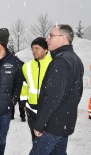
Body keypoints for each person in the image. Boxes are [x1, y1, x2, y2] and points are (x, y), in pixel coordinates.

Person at [29, 24, 84, 155]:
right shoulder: (75, 59)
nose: (47, 39)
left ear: (64, 38)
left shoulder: (61, 61)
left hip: (52, 127)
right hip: (64, 124)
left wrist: (40, 125)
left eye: (51, 36)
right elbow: (78, 93)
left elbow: (52, 97)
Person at [23, 37, 52, 141]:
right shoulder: (27, 66)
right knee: (35, 140)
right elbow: (24, 84)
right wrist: (23, 102)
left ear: (46, 49)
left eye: (37, 48)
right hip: (31, 109)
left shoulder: (53, 64)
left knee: (48, 141)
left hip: (48, 109)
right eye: (32, 48)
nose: (34, 51)